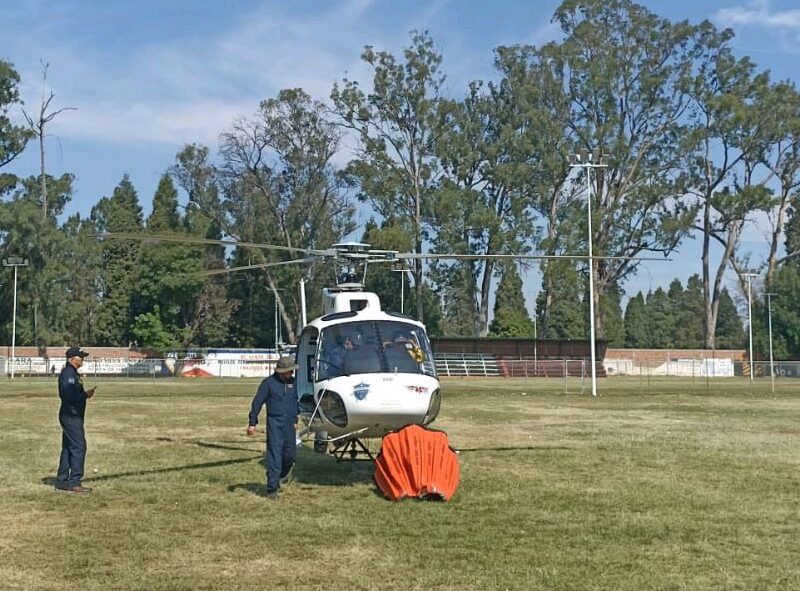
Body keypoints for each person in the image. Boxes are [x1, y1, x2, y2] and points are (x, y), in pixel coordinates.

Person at [246, 355, 299, 499]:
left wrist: (295, 419)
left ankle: (279, 475)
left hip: (289, 424)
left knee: (290, 456)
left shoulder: (293, 383)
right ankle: (272, 489)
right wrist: (252, 422)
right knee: (275, 455)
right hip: (275, 423)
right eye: (290, 371)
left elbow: (295, 402)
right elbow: (257, 402)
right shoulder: (268, 383)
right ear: (282, 371)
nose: (292, 373)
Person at [55, 347, 96, 494]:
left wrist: (85, 394)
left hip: (73, 415)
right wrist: (84, 396)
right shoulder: (68, 374)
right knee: (79, 447)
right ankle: (74, 482)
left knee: (68, 448)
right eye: (81, 357)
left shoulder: (73, 373)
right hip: (71, 416)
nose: (83, 359)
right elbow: (68, 395)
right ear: (72, 358)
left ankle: (62, 481)